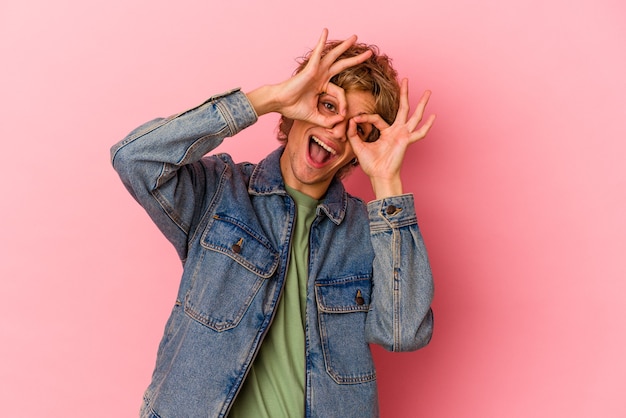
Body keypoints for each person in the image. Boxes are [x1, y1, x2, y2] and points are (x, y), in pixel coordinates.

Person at [111, 29, 435, 418]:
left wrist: (386, 182)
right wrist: (266, 99)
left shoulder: (364, 233)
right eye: (328, 106)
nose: (336, 129)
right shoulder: (219, 191)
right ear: (296, 108)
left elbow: (403, 332)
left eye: (358, 128)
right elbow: (135, 160)